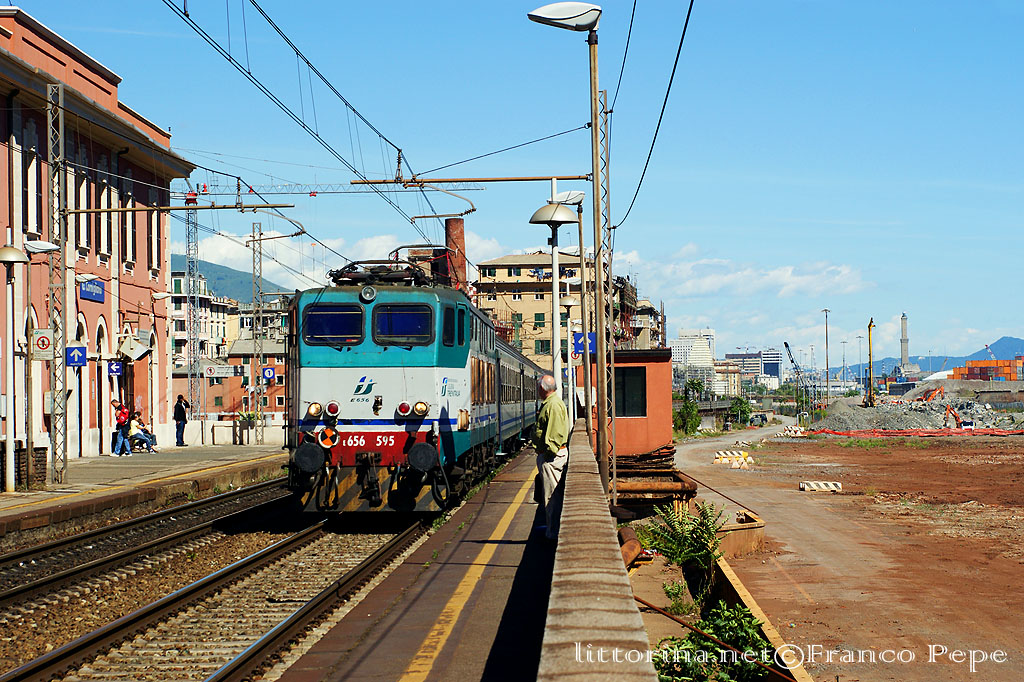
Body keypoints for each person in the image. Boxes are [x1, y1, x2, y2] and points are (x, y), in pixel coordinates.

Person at [532, 374, 569, 541]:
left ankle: (553, 534)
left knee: (551, 497)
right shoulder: (552, 403)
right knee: (552, 496)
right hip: (552, 457)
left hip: (552, 459)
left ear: (542, 388)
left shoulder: (552, 405)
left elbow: (554, 435)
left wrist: (547, 456)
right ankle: (552, 530)